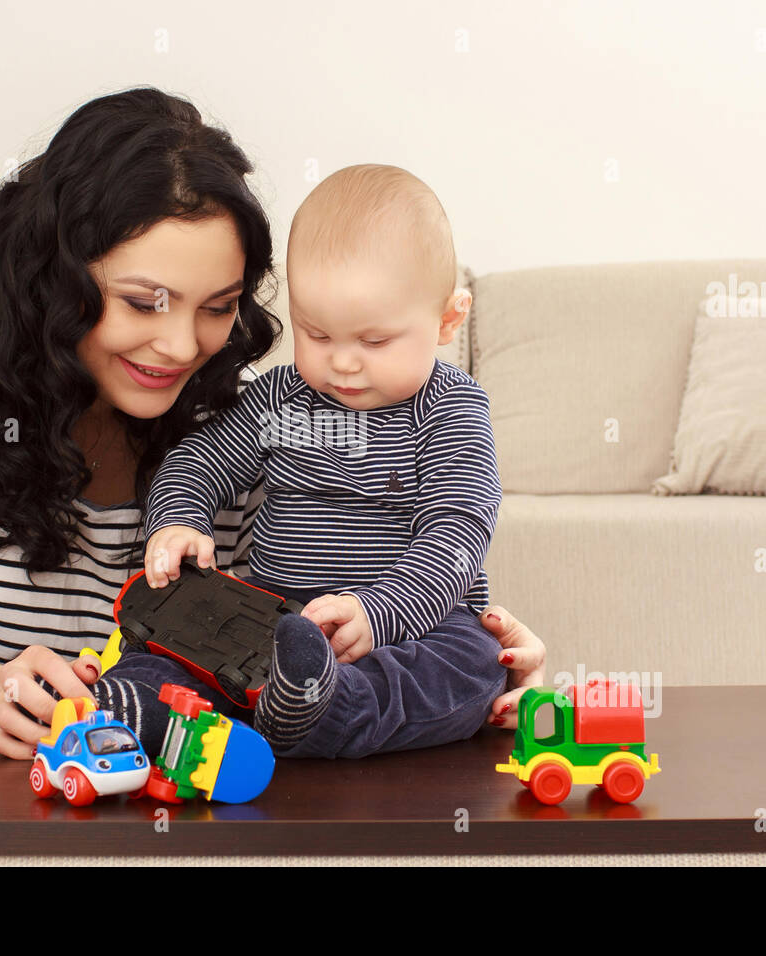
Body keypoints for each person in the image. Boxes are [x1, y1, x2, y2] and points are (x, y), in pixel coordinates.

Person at [0, 87, 546, 759]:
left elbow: (311, 614)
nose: (182, 346)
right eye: (143, 302)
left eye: (217, 307)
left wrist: (475, 668)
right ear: (60, 277)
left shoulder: (246, 399)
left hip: (168, 773)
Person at [107, 164, 505, 759]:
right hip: (272, 619)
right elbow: (200, 460)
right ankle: (145, 705)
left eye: (373, 342)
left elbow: (458, 529)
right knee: (174, 640)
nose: (342, 364)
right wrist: (180, 520)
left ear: (448, 319)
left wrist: (380, 612)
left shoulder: (450, 409)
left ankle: (329, 709)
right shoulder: (279, 398)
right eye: (316, 335)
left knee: (474, 664)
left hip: (404, 624)